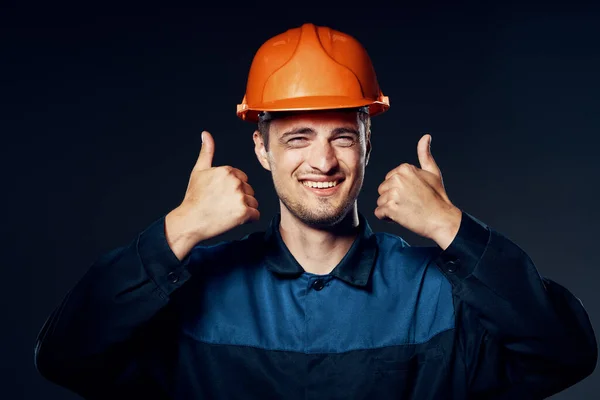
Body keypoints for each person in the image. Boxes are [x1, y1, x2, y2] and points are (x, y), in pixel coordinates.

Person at [35, 23, 596, 400]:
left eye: (344, 137)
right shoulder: (195, 291)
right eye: (299, 137)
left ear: (369, 142)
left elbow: (564, 354)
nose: (323, 162)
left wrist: (453, 228)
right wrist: (176, 231)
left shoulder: (441, 293)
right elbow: (65, 356)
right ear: (261, 147)